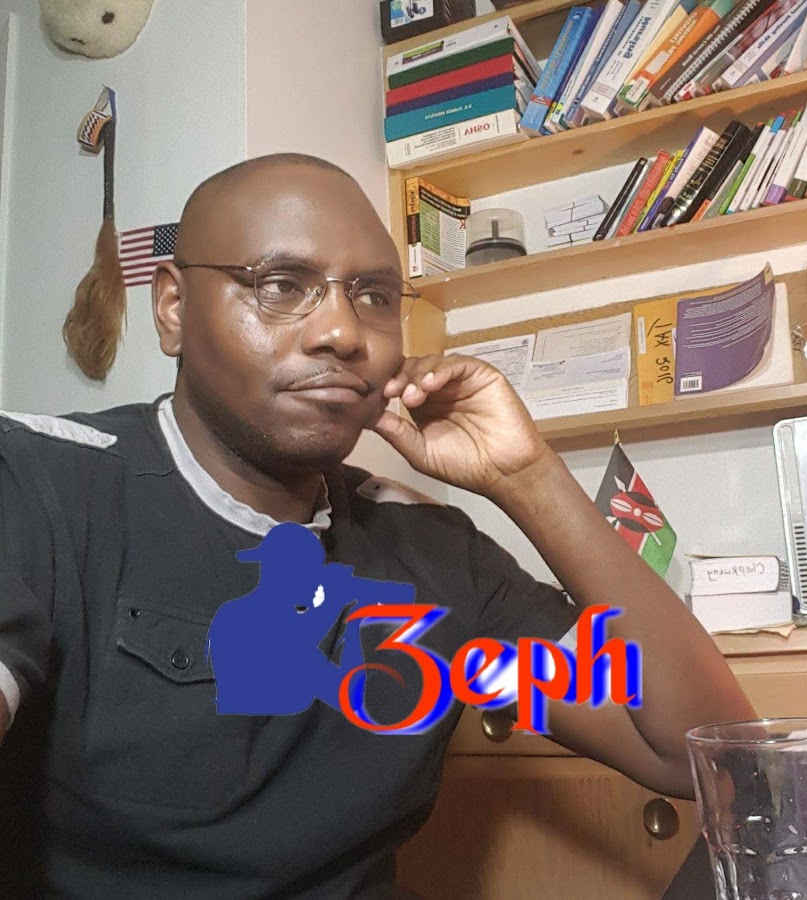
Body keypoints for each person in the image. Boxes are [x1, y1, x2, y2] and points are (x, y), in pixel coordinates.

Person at [0, 153, 754, 898]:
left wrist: (527, 477)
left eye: (374, 296)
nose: (342, 331)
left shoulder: (432, 554)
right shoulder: (41, 486)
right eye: (281, 285)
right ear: (173, 308)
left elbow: (710, 762)